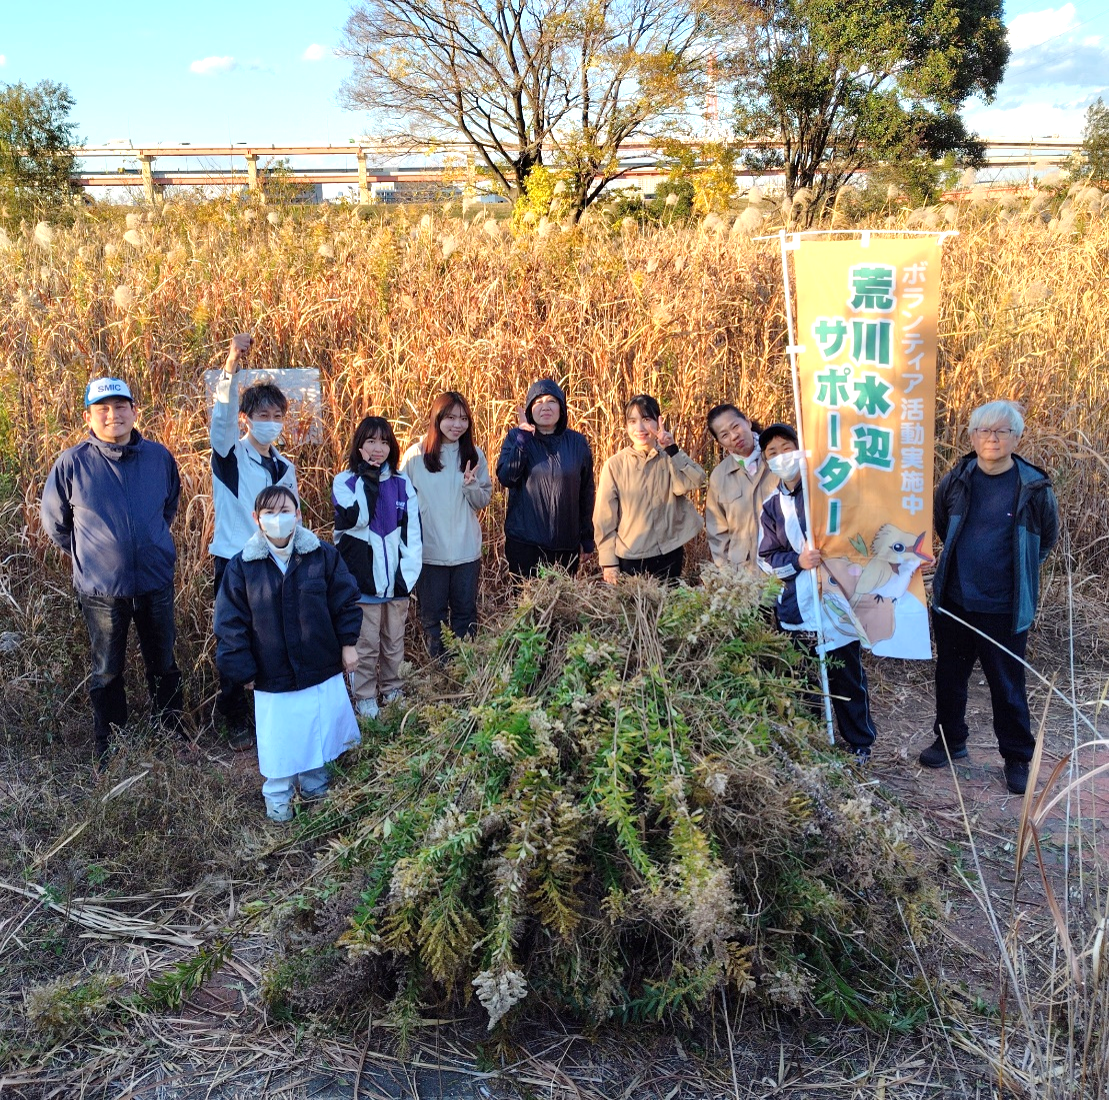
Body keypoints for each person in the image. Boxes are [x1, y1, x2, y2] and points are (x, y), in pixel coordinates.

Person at [40, 377, 184, 767]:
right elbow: (56, 524)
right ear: (88, 416)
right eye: (103, 409)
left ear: (134, 411)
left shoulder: (159, 457)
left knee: (164, 663)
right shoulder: (72, 463)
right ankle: (111, 747)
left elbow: (168, 506)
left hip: (154, 581)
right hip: (102, 590)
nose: (113, 415)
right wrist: (96, 553)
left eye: (121, 406)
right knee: (106, 670)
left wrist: (147, 543)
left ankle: (172, 734)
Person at [920, 400, 1058, 795]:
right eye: (984, 430)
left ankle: (1016, 757)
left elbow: (1045, 540)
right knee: (950, 676)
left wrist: (1023, 573)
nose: (992, 438)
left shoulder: (1034, 487)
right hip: (956, 602)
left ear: (1017, 438)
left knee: (1007, 685)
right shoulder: (956, 479)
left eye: (1002, 431)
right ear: (972, 436)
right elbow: (943, 524)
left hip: (1005, 607)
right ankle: (950, 741)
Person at [214, 486, 362, 822]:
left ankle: (317, 797)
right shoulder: (242, 567)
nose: (277, 519)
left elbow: (345, 601)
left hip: (318, 668)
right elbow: (229, 624)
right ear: (257, 519)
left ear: (298, 514)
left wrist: (348, 644)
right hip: (272, 675)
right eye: (269, 513)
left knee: (317, 737)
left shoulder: (322, 555)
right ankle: (278, 806)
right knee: (280, 745)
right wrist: (244, 670)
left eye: (285, 511)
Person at [757, 423, 877, 762]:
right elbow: (765, 558)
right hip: (797, 607)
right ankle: (814, 743)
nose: (781, 457)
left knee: (847, 676)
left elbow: (861, 535)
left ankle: (858, 743)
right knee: (804, 679)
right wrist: (797, 560)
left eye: (786, 447)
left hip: (836, 602)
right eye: (772, 453)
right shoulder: (771, 507)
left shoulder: (829, 492)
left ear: (800, 447)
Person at [209, 332, 297, 750]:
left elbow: (293, 517)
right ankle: (234, 716)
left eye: (277, 414)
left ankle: (270, 710)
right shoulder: (228, 454)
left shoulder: (285, 467)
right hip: (233, 560)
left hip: (274, 560)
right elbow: (221, 416)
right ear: (246, 418)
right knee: (235, 637)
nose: (270, 421)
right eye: (262, 413)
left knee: (271, 636)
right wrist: (231, 362)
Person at [333, 416, 422, 719]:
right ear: (359, 445)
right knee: (366, 644)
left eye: (384, 442)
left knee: (394, 642)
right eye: (370, 441)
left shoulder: (401, 483)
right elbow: (357, 518)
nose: (378, 448)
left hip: (396, 584)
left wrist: (406, 577)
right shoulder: (344, 482)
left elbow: (412, 534)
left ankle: (393, 689)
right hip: (362, 585)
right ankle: (365, 696)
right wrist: (368, 477)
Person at [400, 392, 493, 658]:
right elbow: (401, 501)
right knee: (433, 619)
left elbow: (482, 500)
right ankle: (438, 673)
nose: (457, 425)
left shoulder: (474, 455)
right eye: (450, 417)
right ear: (437, 418)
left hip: (466, 551)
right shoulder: (416, 456)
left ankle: (465, 668)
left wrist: (471, 485)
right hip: (430, 552)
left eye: (463, 418)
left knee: (465, 614)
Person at [594, 395, 706, 583]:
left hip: (669, 553)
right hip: (631, 557)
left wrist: (672, 449)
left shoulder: (668, 457)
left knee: (669, 611)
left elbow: (695, 482)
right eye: (632, 421)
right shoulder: (615, 465)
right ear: (626, 426)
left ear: (658, 422)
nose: (639, 428)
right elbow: (604, 518)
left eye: (646, 420)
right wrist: (608, 563)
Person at [496, 379, 595, 577]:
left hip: (565, 546)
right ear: (529, 408)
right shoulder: (516, 437)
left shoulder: (577, 442)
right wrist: (522, 441)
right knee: (526, 605)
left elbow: (586, 492)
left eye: (552, 401)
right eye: (538, 402)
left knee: (562, 605)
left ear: (561, 407)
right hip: (526, 544)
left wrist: (587, 538)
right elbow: (507, 477)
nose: (545, 407)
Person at [704, 404, 774, 573]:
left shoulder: (777, 458)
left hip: (783, 568)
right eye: (724, 435)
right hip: (744, 575)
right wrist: (728, 573)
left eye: (735, 426)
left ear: (747, 422)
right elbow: (717, 532)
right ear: (720, 442)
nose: (734, 436)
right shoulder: (720, 476)